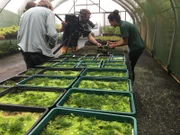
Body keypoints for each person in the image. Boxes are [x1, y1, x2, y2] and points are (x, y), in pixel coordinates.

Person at [17, 0, 58, 69]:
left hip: (25, 51)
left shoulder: (25, 14)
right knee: (45, 75)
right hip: (40, 52)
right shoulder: (48, 12)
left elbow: (19, 33)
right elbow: (52, 34)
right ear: (49, 7)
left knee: (32, 75)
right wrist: (52, 45)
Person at [107, 9, 145, 82]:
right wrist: (114, 43)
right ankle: (129, 81)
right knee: (130, 65)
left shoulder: (123, 26)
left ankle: (130, 83)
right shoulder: (124, 24)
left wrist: (113, 46)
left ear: (114, 20)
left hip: (136, 48)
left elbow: (125, 42)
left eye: (110, 22)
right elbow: (124, 40)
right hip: (138, 46)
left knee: (130, 66)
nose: (110, 24)